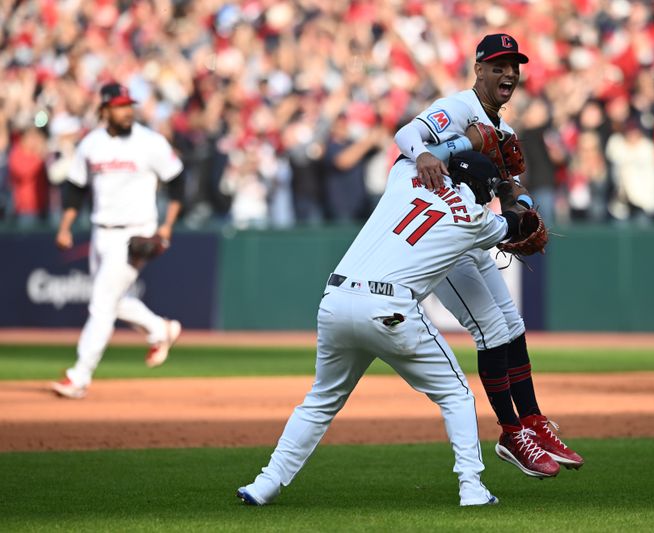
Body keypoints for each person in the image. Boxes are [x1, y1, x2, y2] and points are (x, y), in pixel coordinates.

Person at [238, 151, 529, 507]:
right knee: (456, 394)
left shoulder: (407, 178)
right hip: (390, 308)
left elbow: (408, 147)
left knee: (320, 400)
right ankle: (471, 487)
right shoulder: (473, 215)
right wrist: (518, 196)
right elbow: (515, 226)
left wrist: (431, 152)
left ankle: (265, 483)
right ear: (483, 191)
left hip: (336, 298)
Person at [392, 34, 584, 477]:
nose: (508, 73)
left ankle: (533, 421)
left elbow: (509, 188)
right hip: (439, 234)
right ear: (478, 69)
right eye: (498, 65)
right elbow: (406, 132)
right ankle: (511, 432)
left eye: (513, 65)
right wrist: (422, 153)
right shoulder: (460, 107)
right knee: (491, 328)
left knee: (512, 324)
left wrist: (526, 207)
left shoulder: (505, 130)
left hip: (470, 229)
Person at [50, 82, 185, 399]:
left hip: (136, 232)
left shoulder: (149, 142)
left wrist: (167, 225)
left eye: (129, 105)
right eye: (120, 106)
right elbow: (76, 189)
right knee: (110, 300)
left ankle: (79, 376)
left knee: (101, 302)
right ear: (104, 110)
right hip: (101, 231)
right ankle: (159, 329)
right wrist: (65, 226)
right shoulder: (91, 144)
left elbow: (178, 181)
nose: (127, 111)